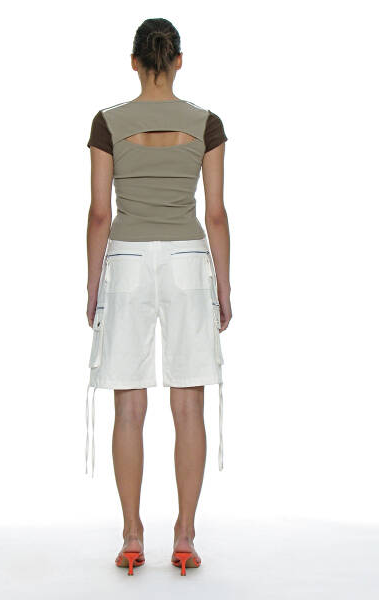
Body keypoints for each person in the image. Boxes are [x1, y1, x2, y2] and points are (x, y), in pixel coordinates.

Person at [85, 17, 232, 576]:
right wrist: (223, 285)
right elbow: (215, 214)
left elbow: (100, 214)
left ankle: (131, 535)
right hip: (189, 260)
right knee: (188, 404)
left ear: (134, 61)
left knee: (129, 406)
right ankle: (185, 536)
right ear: (178, 61)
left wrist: (92, 284)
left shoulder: (108, 123)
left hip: (125, 259)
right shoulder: (205, 124)